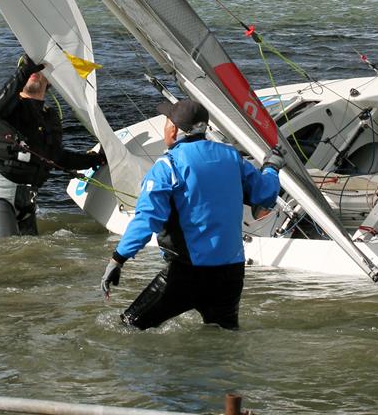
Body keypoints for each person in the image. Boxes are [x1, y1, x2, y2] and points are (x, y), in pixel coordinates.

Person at [100, 98, 281, 330]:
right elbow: (265, 195)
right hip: (231, 274)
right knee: (222, 339)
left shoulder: (168, 166)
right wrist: (272, 168)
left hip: (187, 274)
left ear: (174, 130)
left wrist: (118, 259)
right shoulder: (232, 157)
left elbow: (147, 220)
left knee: (127, 328)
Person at [0, 53, 102, 237]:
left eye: (39, 71)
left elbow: (57, 157)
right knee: (10, 250)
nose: (34, 73)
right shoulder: (7, 108)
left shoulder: (50, 117)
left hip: (26, 204)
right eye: (29, 71)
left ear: (49, 81)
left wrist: (96, 159)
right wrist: (25, 69)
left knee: (33, 257)